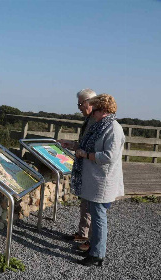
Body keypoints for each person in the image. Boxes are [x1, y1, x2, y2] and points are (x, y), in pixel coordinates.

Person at [70, 94, 125, 266]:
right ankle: (94, 251)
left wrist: (86, 155)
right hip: (96, 180)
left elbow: (109, 156)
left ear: (103, 110)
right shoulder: (101, 126)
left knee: (99, 218)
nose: (91, 112)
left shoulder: (113, 129)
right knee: (96, 215)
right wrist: (75, 147)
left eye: (95, 109)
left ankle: (97, 255)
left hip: (103, 181)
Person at [59, 88, 97, 251]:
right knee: (85, 204)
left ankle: (92, 241)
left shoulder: (97, 121)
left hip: (94, 170)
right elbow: (84, 144)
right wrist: (73, 145)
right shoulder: (89, 120)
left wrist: (82, 151)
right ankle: (83, 233)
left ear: (89, 103)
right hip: (86, 167)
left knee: (93, 207)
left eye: (80, 104)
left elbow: (97, 149)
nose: (79, 107)